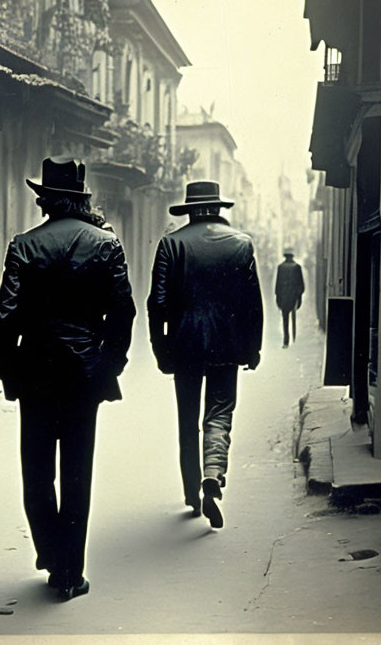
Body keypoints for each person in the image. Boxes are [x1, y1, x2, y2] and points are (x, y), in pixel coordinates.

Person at [0, 156, 136, 600]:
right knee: (77, 472)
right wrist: (108, 364)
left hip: (35, 373)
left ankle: (50, 551)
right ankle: (70, 572)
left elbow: (4, 321)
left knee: (36, 472)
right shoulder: (106, 244)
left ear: (45, 202)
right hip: (84, 374)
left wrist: (9, 376)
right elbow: (123, 312)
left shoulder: (23, 245)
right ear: (81, 198)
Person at [147, 180, 262, 530]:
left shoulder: (171, 244)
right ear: (218, 208)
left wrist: (160, 350)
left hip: (184, 346)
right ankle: (213, 474)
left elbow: (158, 304)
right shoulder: (241, 245)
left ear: (190, 210)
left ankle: (191, 494)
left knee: (188, 420)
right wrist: (252, 347)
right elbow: (252, 304)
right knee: (220, 413)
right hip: (228, 346)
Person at [275, 248, 305, 348]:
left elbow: (278, 285)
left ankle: (286, 340)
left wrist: (278, 298)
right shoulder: (297, 267)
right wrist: (299, 296)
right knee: (293, 316)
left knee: (285, 319)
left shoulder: (280, 267)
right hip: (293, 296)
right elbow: (301, 284)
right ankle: (293, 338)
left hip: (284, 297)